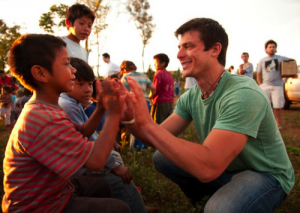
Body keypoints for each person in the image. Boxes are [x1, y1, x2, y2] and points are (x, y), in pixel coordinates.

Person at [123, 18, 294, 213]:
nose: (179, 54)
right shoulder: (191, 96)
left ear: (215, 49)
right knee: (162, 157)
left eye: (188, 46)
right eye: (179, 47)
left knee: (219, 209)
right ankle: (203, 200)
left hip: (265, 173)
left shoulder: (243, 93)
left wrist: (147, 124)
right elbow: (157, 136)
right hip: (227, 168)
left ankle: (219, 202)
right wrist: (129, 118)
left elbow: (209, 167)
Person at [3, 33, 131, 213]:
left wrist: (101, 108)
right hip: (37, 206)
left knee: (102, 187)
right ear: (40, 73)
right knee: (120, 209)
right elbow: (95, 162)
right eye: (66, 64)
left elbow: (82, 131)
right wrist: (114, 114)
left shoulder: (46, 108)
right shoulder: (44, 118)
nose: (73, 70)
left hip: (54, 189)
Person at [59, 57, 148, 213]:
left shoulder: (72, 103)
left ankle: (134, 201)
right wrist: (113, 166)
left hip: (79, 163)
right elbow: (92, 155)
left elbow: (85, 131)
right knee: (119, 180)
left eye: (89, 84)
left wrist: (101, 109)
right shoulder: (67, 105)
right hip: (77, 169)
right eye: (80, 84)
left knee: (115, 158)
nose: (88, 89)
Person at [120, 60, 156, 150]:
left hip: (134, 102)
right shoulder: (143, 76)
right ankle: (146, 145)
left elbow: (122, 92)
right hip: (146, 102)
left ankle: (136, 149)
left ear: (125, 69)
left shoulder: (126, 77)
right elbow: (153, 88)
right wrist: (150, 96)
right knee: (146, 124)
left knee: (136, 125)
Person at [257, 40, 290, 129]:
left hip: (277, 85)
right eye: (270, 47)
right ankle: (264, 124)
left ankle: (277, 124)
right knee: (264, 106)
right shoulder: (262, 60)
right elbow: (258, 73)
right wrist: (260, 84)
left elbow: (291, 62)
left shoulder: (281, 58)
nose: (272, 48)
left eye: (273, 47)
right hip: (265, 86)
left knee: (277, 106)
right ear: (266, 49)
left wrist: (288, 76)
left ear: (276, 49)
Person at [150, 53, 174, 124]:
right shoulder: (169, 74)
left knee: (158, 123)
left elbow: (155, 89)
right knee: (167, 123)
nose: (154, 65)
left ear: (163, 63)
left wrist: (150, 97)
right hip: (170, 102)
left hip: (160, 102)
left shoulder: (158, 74)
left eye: (155, 63)